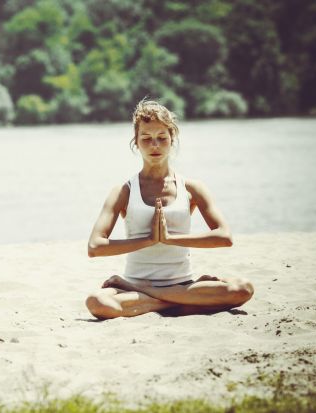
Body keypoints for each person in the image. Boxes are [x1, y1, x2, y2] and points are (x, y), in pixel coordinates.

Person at [85, 98, 254, 319]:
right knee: (97, 303)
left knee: (243, 288)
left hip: (182, 284)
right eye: (146, 138)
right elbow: (95, 246)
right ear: (136, 142)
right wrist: (149, 240)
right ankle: (176, 304)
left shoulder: (192, 188)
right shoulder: (123, 192)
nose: (154, 144)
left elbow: (224, 237)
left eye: (161, 138)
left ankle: (157, 298)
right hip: (136, 286)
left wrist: (169, 239)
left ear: (172, 139)